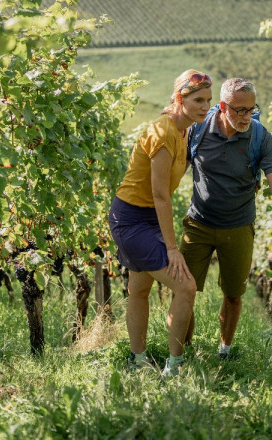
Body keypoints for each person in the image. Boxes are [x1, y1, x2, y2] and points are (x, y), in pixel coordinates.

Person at [180, 77, 272, 358]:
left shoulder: (261, 138)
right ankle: (183, 351)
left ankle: (225, 352)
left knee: (233, 295)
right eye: (239, 110)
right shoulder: (197, 130)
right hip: (198, 223)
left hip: (239, 226)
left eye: (251, 109)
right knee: (184, 291)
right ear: (222, 107)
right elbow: (174, 172)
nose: (246, 116)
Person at [108, 70, 212, 376]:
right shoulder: (162, 132)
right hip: (131, 219)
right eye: (198, 100)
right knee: (186, 286)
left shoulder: (185, 130)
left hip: (148, 216)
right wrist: (172, 248)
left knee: (139, 289)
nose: (205, 106)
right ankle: (174, 366)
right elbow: (160, 195)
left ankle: (138, 360)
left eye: (208, 100)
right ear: (179, 98)